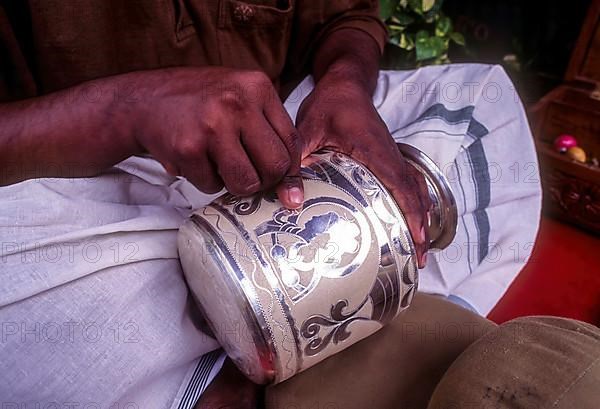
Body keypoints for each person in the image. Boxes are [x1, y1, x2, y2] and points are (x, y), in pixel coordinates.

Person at [0, 1, 546, 407]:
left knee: (479, 109)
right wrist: (124, 110)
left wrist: (342, 84)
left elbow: (347, 18)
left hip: (283, 146)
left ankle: (250, 345)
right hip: (72, 199)